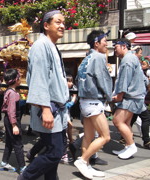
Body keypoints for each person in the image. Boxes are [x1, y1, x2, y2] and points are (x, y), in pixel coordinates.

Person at [18, 10, 69, 180]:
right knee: (55, 152)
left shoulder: (51, 46)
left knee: (53, 151)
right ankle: (25, 177)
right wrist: (46, 109)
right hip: (50, 109)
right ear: (46, 25)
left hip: (58, 110)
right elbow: (39, 79)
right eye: (58, 22)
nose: (62, 25)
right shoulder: (40, 46)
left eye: (63, 22)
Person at [74, 30, 112, 179]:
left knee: (88, 137)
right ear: (96, 43)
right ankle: (83, 161)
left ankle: (87, 165)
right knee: (105, 136)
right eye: (105, 41)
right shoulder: (98, 57)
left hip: (84, 101)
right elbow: (103, 79)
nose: (107, 44)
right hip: (93, 101)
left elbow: (78, 80)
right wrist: (110, 96)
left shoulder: (87, 57)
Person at [112, 38, 146, 159]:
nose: (114, 50)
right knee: (126, 123)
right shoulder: (132, 58)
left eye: (116, 47)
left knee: (117, 121)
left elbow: (124, 80)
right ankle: (127, 146)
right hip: (135, 96)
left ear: (123, 46)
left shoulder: (127, 60)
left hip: (131, 97)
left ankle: (131, 146)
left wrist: (119, 96)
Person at [0, 69, 26, 173]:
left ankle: (4, 162)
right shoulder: (13, 93)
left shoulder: (8, 91)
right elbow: (11, 110)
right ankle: (23, 167)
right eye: (19, 77)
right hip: (12, 120)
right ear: (16, 79)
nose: (20, 78)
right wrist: (14, 125)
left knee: (9, 142)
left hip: (8, 119)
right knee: (18, 143)